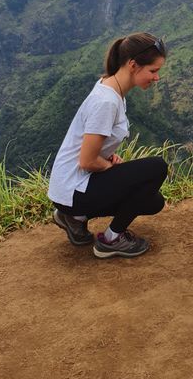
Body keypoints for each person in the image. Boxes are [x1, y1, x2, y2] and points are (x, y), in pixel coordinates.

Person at [48, 32, 168, 259]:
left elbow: (94, 151)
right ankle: (111, 239)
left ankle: (75, 219)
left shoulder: (114, 90)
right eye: (153, 70)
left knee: (153, 201)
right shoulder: (106, 102)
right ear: (133, 65)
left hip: (75, 186)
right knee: (157, 167)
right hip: (73, 189)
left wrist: (107, 159)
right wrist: (108, 167)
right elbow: (87, 161)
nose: (156, 78)